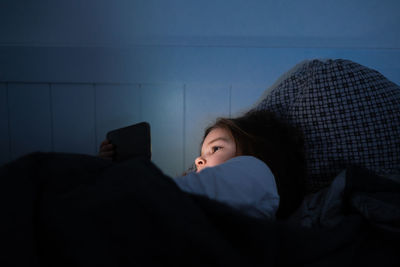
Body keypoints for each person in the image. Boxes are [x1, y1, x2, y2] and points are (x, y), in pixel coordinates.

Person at [99, 110, 306, 219]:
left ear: (255, 150)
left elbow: (159, 197)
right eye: (200, 155)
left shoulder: (256, 169)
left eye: (215, 149)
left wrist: (113, 177)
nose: (197, 161)